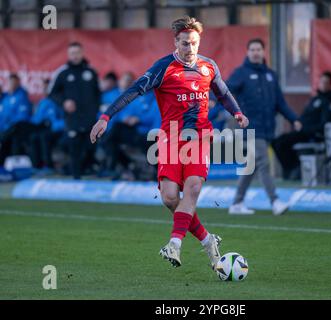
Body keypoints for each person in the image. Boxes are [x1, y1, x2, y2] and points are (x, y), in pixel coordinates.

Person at [90, 16, 249, 271]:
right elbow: (133, 90)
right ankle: (208, 240)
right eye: (185, 43)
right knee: (169, 197)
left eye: (194, 43)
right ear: (176, 42)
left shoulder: (209, 66)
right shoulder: (163, 68)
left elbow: (223, 93)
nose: (190, 49)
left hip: (199, 137)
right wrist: (106, 117)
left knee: (193, 187)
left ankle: (174, 243)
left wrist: (237, 112)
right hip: (171, 138)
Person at [226, 38, 300, 216]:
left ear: (263, 51)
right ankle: (275, 201)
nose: (256, 52)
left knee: (251, 166)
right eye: (252, 49)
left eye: (258, 49)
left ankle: (237, 203)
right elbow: (225, 91)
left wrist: (293, 119)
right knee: (264, 164)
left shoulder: (271, 75)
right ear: (247, 52)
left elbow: (280, 103)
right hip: (250, 128)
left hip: (267, 128)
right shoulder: (241, 73)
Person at [48, 42, 101, 179]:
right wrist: (64, 102)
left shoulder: (91, 71)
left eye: (77, 52)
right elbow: (51, 93)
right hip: (72, 117)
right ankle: (76, 177)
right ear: (68, 54)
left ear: (82, 53)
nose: (75, 56)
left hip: (90, 118)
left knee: (90, 146)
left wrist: (97, 111)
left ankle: (88, 170)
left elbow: (98, 93)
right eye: (72, 53)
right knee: (74, 146)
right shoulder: (62, 72)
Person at [273, 71, 331, 180]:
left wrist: (305, 129)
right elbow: (304, 117)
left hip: (311, 134)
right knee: (276, 141)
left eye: (326, 83)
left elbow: (323, 124)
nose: (323, 85)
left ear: (330, 85)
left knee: (282, 143)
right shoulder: (314, 99)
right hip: (302, 131)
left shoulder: (329, 102)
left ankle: (294, 169)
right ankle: (292, 168)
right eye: (322, 82)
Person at [29, 79, 65, 174]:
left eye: (47, 88)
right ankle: (37, 165)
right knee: (34, 137)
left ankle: (49, 166)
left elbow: (66, 119)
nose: (45, 90)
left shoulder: (60, 100)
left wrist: (54, 124)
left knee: (45, 137)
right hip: (46, 128)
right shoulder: (44, 102)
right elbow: (36, 119)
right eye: (44, 88)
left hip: (60, 129)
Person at [0, 74, 32, 165]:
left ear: (18, 83)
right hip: (4, 128)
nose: (12, 84)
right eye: (10, 82)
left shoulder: (22, 97)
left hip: (16, 128)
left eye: (14, 82)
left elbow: (23, 116)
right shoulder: (5, 98)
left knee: (5, 138)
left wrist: (8, 124)